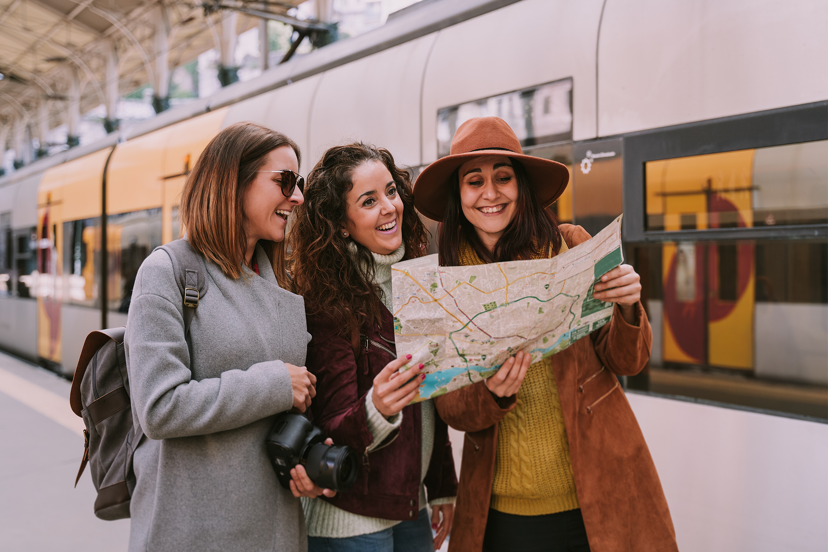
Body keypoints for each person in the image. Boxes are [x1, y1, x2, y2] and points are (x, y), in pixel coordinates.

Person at [413, 117, 679, 552]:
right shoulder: (444, 284)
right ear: (457, 195)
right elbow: (452, 410)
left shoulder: (571, 247)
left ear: (523, 186)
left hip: (594, 498)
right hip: (502, 514)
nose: (490, 193)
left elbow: (628, 362)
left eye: (504, 177)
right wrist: (493, 394)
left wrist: (628, 305)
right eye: (474, 181)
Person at [124, 122, 332, 552]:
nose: (297, 196)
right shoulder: (166, 272)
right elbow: (159, 407)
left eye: (300, 183)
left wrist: (310, 459)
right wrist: (274, 384)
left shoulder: (282, 277)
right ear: (232, 181)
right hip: (192, 529)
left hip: (275, 528)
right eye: (285, 181)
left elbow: (297, 398)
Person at [290, 143, 458, 552]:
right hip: (350, 520)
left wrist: (439, 488)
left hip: (409, 505)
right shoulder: (327, 302)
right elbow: (329, 427)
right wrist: (376, 409)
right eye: (369, 201)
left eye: (391, 191)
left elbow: (428, 400)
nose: (389, 207)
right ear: (342, 224)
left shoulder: (418, 283)